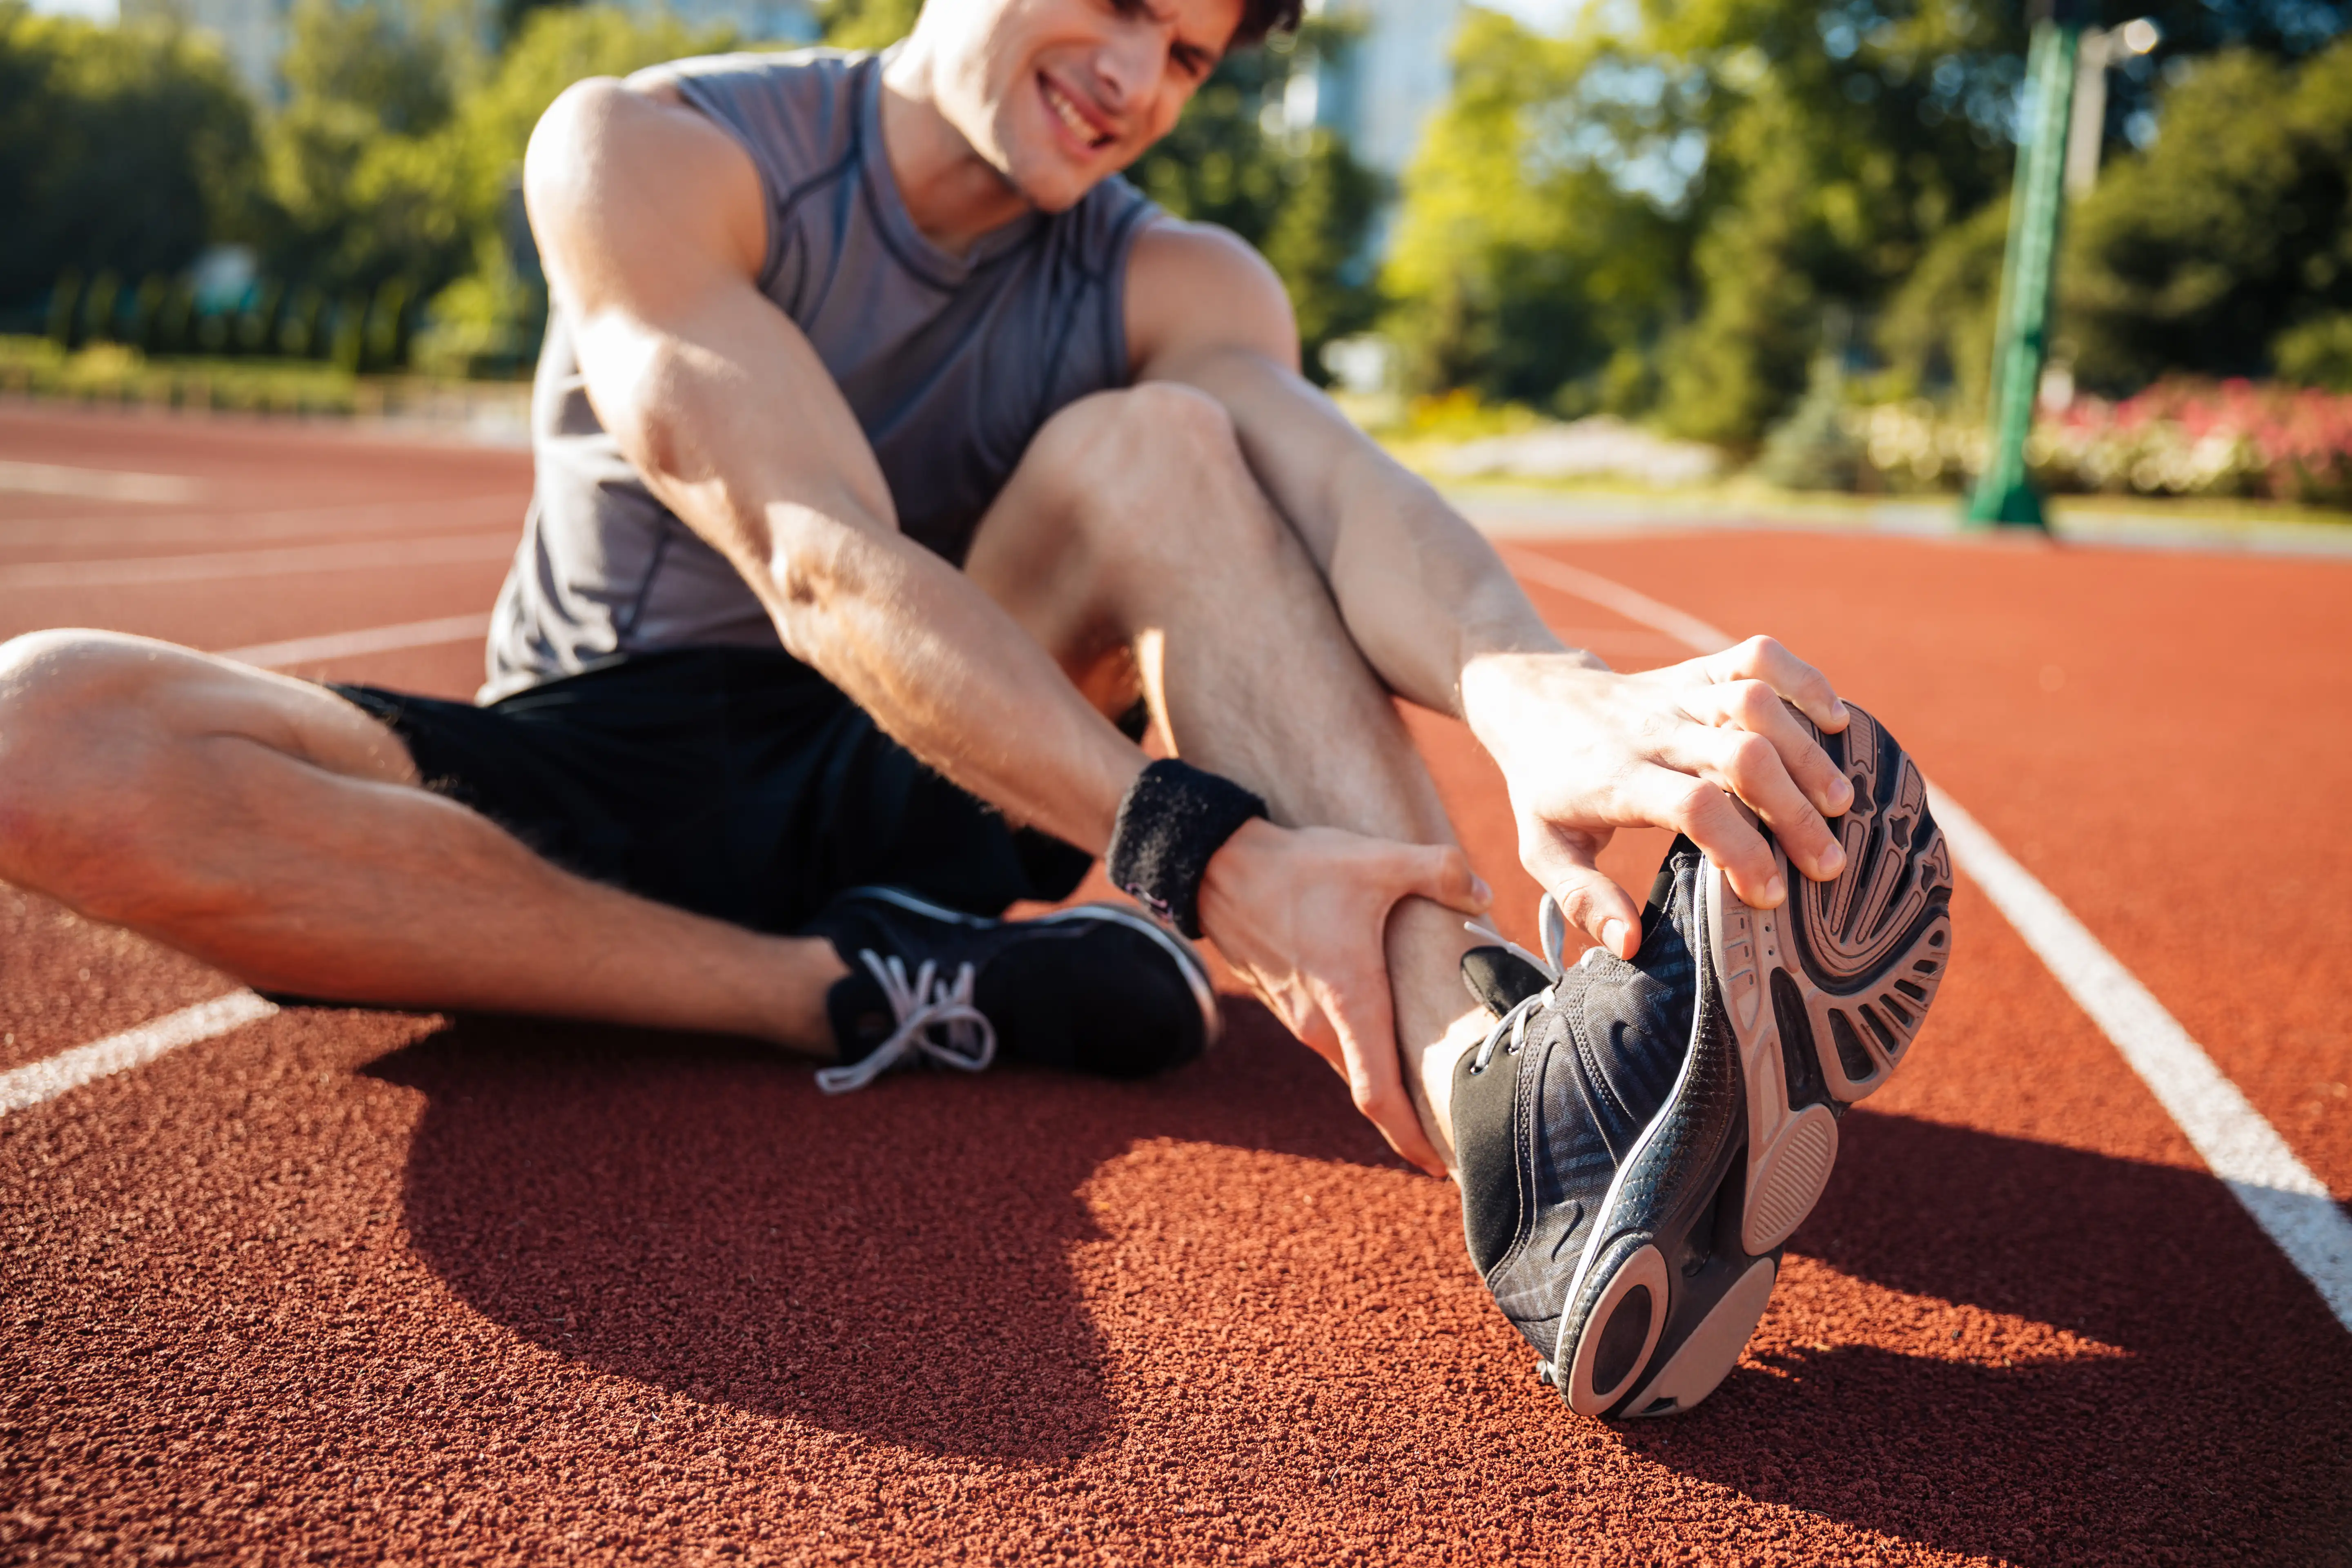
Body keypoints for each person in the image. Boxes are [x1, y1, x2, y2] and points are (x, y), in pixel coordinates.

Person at [0, 0, 1950, 1414]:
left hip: (946, 751)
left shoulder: (1170, 274)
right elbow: (817, 561)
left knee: (1174, 446)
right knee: (44, 733)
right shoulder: (657, 152)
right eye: (1115, 8)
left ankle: (1507, 1110)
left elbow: (1330, 480)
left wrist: (1542, 695)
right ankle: (880, 990)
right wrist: (1202, 856)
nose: (1136, 84)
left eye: (1187, 57)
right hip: (604, 755)